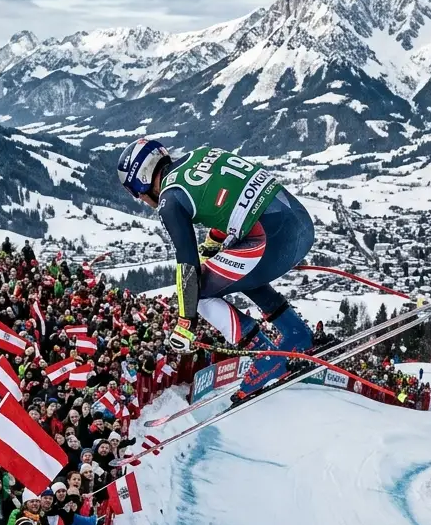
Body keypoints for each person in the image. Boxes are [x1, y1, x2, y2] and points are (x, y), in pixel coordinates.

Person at [117, 139, 315, 396]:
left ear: (142, 179)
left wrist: (186, 321)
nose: (141, 199)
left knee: (198, 293)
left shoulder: (170, 199)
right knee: (232, 265)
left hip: (274, 242)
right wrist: (213, 242)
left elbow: (187, 264)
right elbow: (231, 198)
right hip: (300, 223)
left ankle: (265, 356)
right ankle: (295, 331)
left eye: (136, 192)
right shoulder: (200, 154)